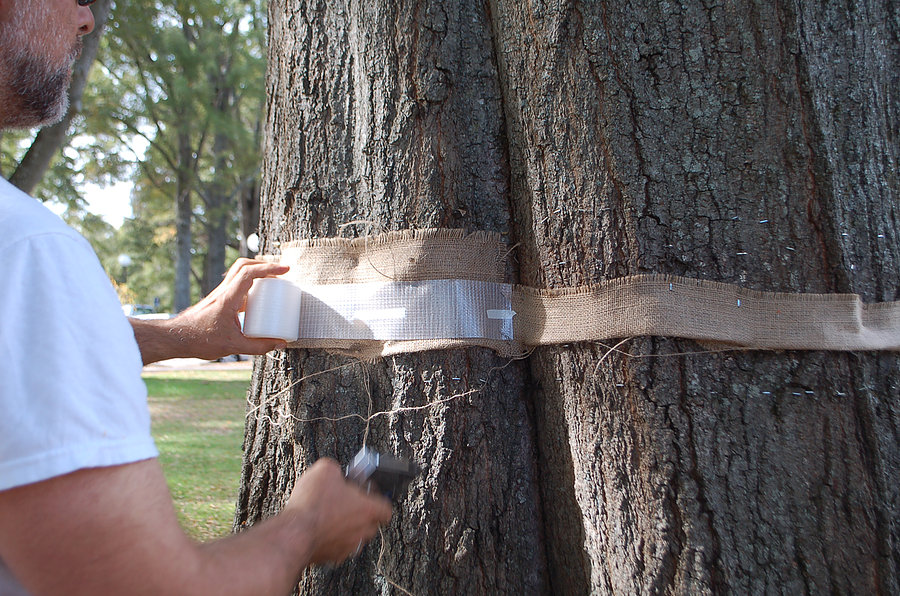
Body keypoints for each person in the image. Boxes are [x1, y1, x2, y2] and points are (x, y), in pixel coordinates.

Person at [0, 1, 392, 594]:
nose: (86, 18)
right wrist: (303, 528)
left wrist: (182, 334)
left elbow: (25, 356)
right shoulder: (27, 251)